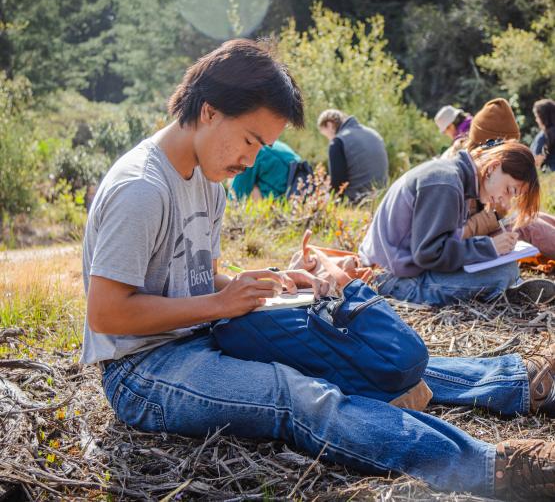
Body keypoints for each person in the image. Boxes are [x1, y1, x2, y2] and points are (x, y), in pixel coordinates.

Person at [82, 39, 555, 501]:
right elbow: (107, 314)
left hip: (201, 330)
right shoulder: (141, 188)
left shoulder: (208, 180)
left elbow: (196, 279)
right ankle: (492, 467)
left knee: (348, 353)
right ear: (209, 111)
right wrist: (219, 304)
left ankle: (517, 383)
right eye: (250, 140)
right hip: (143, 370)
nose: (250, 159)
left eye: (261, 146)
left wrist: (272, 281)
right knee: (298, 395)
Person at [358, 140, 555, 306]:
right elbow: (428, 254)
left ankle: (503, 288)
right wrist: (489, 247)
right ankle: (501, 290)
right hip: (392, 279)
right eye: (510, 190)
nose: (505, 199)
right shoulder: (446, 184)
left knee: (505, 269)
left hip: (400, 268)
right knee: (503, 272)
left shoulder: (453, 178)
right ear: (494, 167)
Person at [456, 98, 555, 262]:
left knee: (536, 216)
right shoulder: (462, 174)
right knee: (527, 225)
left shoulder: (480, 165)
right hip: (471, 248)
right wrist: (494, 215)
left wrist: (499, 210)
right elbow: (457, 234)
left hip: (481, 235)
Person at [317, 109, 388, 202]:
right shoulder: (374, 133)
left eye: (326, 135)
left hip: (356, 200)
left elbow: (337, 184)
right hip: (382, 198)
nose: (328, 139)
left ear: (329, 125)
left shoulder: (338, 142)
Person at [229, 139, 301, 200]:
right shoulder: (261, 142)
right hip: (299, 180)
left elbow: (235, 197)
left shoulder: (249, 151)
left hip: (290, 183)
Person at [531, 98, 555, 172]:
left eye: (537, 117)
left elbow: (535, 161)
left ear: (543, 117)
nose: (536, 120)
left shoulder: (543, 136)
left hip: (548, 174)